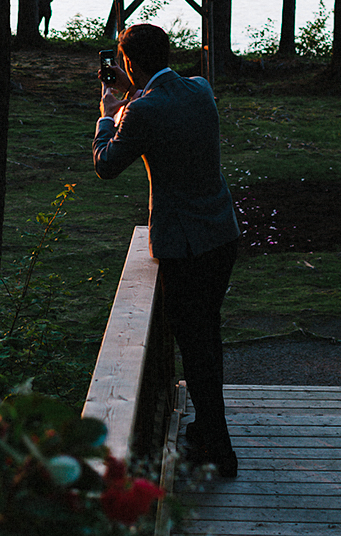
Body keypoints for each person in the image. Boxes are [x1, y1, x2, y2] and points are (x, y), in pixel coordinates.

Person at [92, 23, 241, 478]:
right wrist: (129, 97)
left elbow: (107, 165)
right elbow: (159, 106)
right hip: (222, 234)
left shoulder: (140, 112)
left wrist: (106, 114)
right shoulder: (200, 89)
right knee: (206, 338)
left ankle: (220, 449)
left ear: (130, 63)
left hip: (184, 245)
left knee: (194, 345)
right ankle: (208, 428)